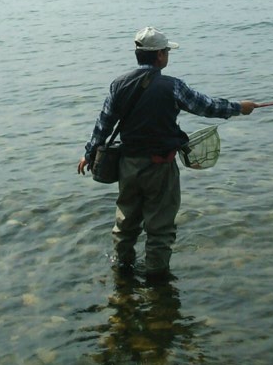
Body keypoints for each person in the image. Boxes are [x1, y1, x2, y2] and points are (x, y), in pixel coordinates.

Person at [77, 26, 257, 281]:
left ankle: (122, 274)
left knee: (125, 223)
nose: (167, 55)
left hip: (127, 166)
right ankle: (157, 281)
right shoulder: (172, 86)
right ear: (160, 55)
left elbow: (103, 124)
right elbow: (206, 106)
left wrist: (88, 153)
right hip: (160, 167)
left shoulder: (118, 84)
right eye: (167, 52)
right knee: (159, 229)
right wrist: (239, 108)